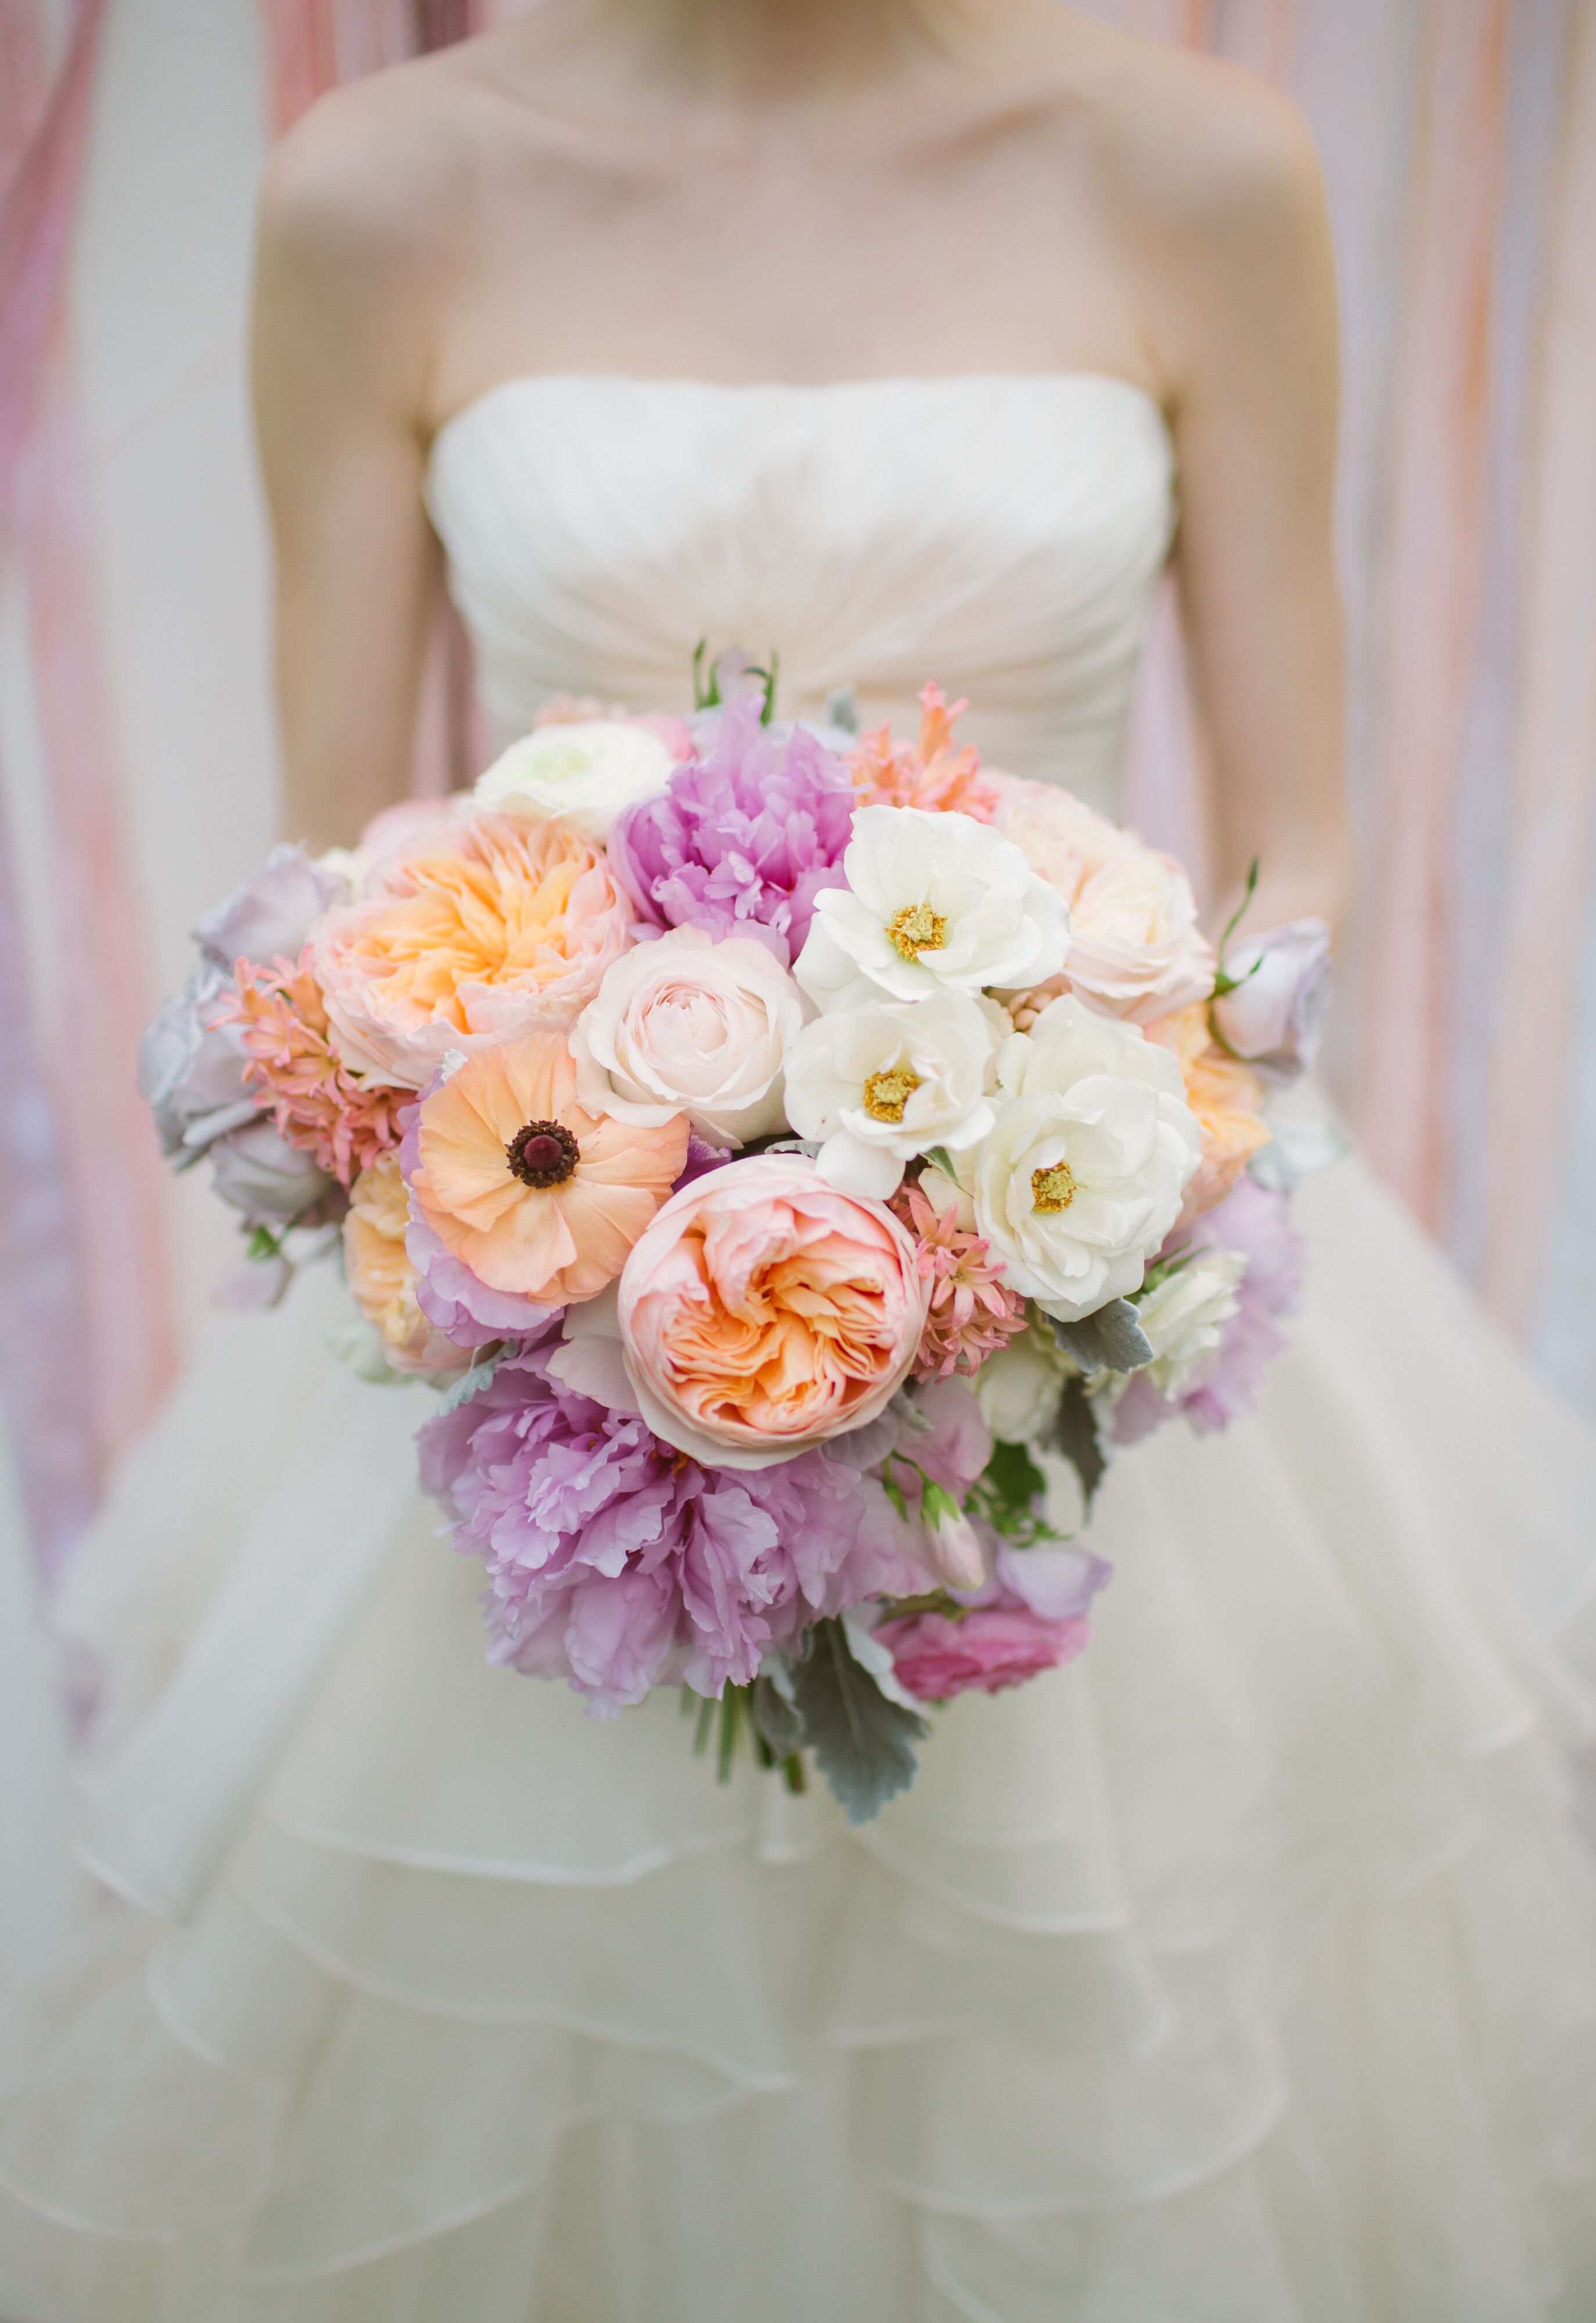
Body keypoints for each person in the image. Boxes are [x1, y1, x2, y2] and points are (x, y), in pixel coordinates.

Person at [3, 5, 1595, 2316]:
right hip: (558, 1317)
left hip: (1075, 1247)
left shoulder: (1198, 165)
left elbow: (1297, 846)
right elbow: (342, 890)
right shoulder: (380, 190)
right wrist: (603, 1250)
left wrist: (1036, 1218)